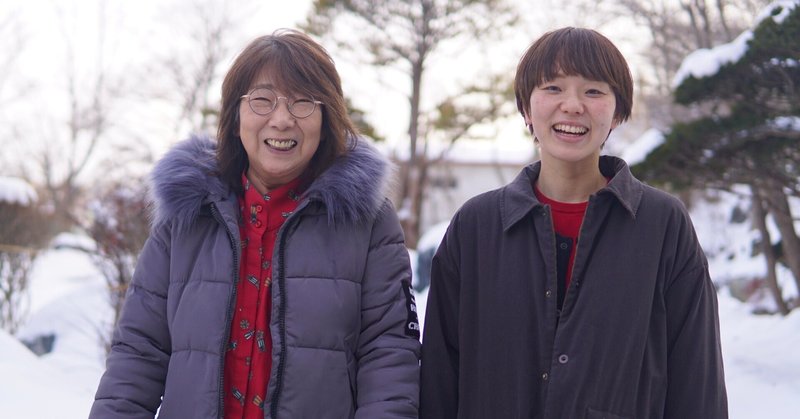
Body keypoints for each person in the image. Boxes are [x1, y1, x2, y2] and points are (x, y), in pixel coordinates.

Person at [90, 29, 421, 419]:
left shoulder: (365, 221)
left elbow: (389, 354)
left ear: (326, 118)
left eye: (302, 102)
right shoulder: (187, 215)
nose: (281, 120)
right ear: (235, 117)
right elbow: (139, 352)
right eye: (262, 100)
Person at [419, 27, 727, 419]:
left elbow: (696, 378)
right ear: (526, 109)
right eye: (552, 88)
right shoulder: (476, 227)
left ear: (617, 112)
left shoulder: (662, 224)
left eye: (593, 91)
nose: (573, 105)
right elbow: (440, 379)